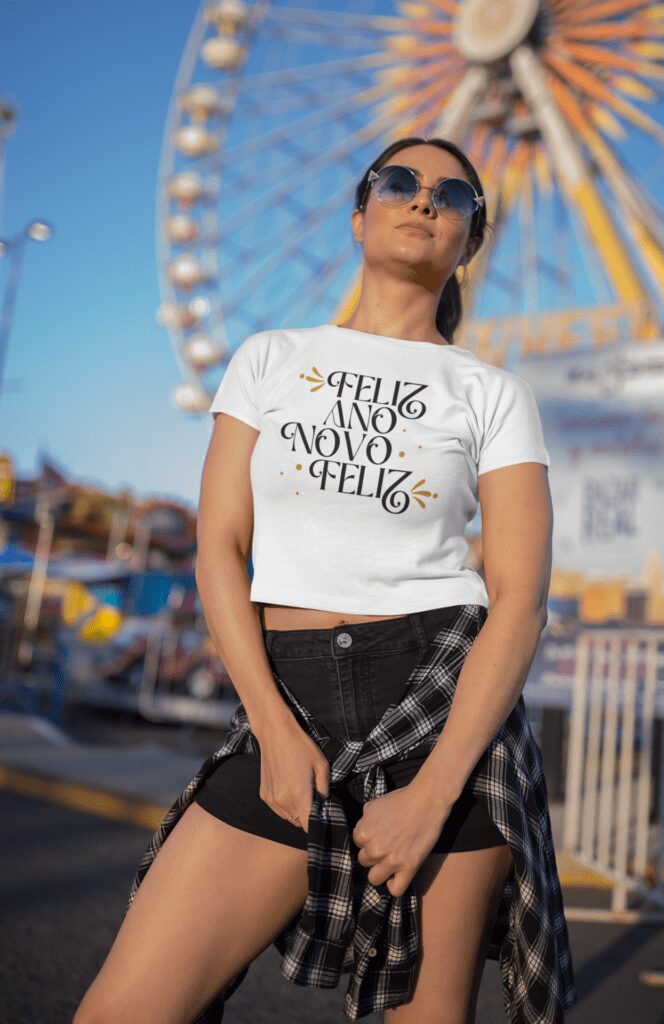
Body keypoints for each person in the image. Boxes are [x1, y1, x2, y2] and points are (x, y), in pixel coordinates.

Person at [74, 136, 576, 1023]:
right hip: (290, 698)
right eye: (400, 181)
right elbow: (219, 547)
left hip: (439, 702)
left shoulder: (492, 393)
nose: (424, 199)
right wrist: (271, 726)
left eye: (454, 195)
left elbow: (520, 598)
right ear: (358, 215)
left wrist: (435, 792)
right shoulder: (269, 359)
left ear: (470, 239)